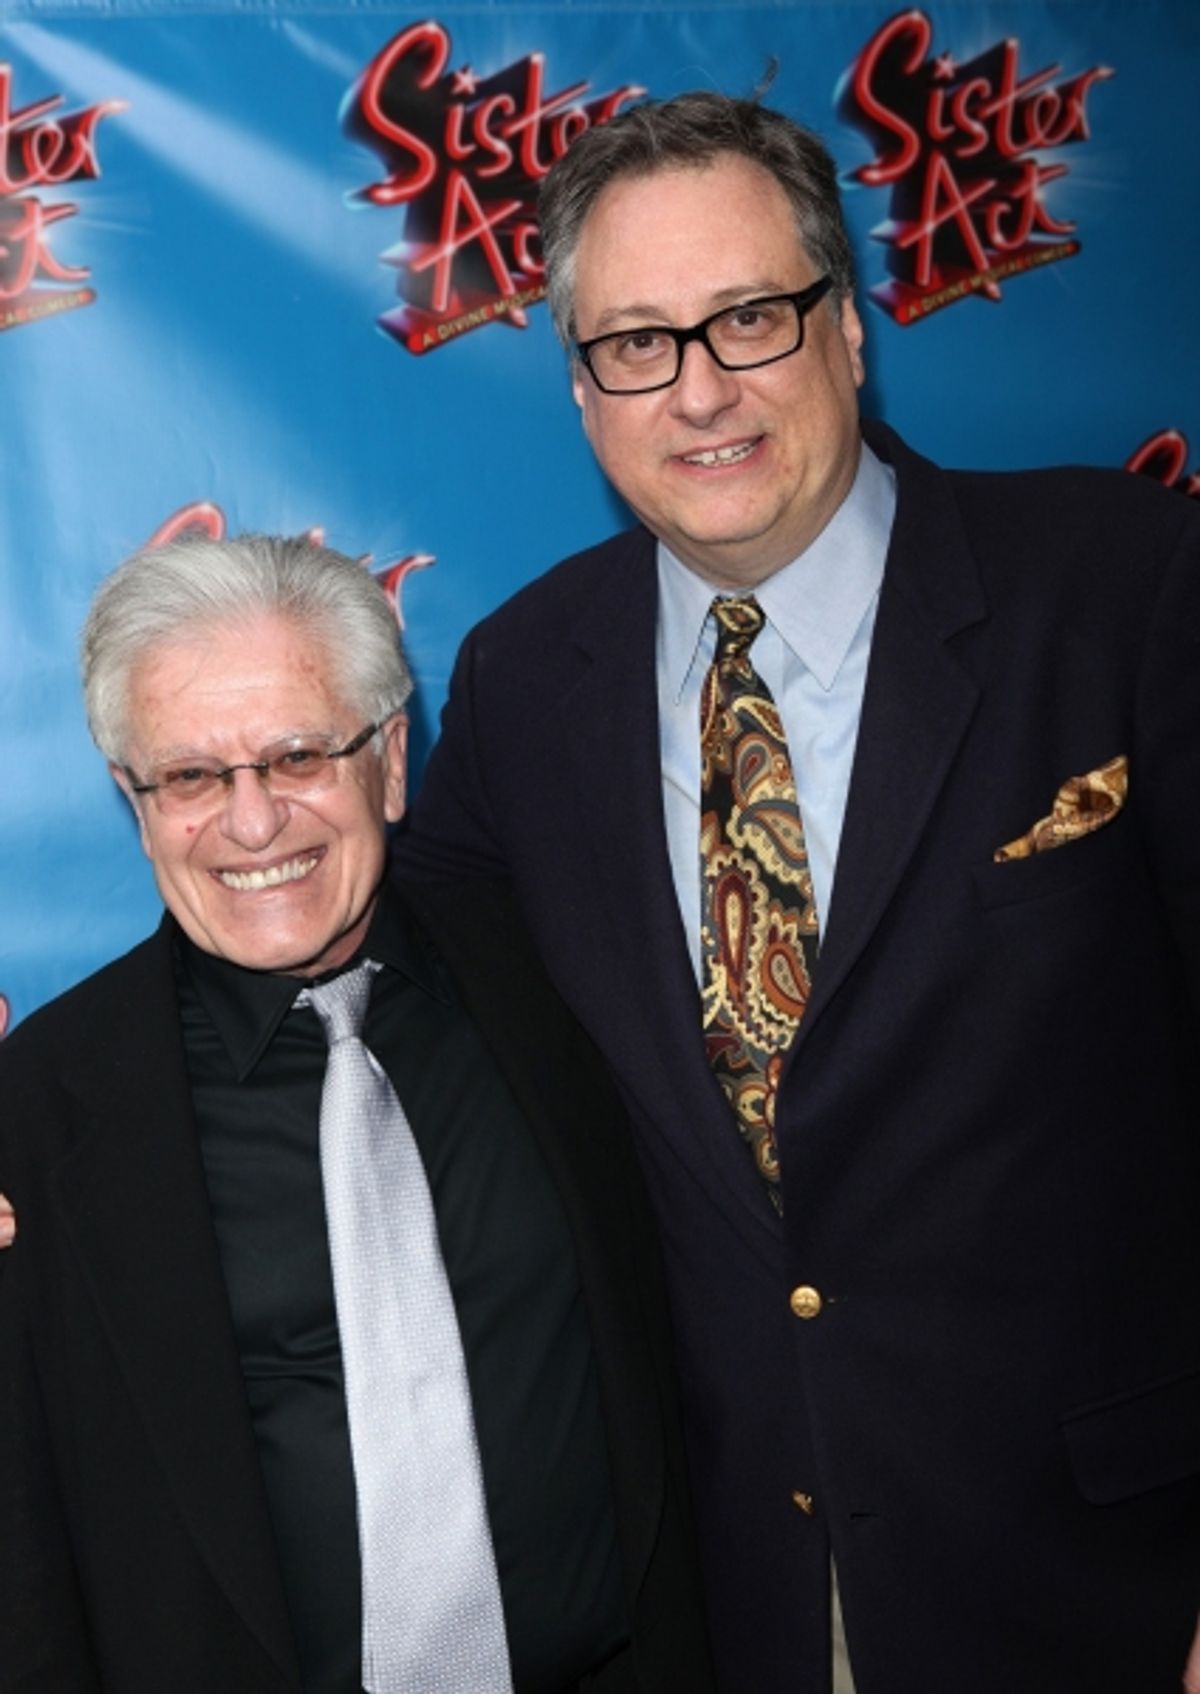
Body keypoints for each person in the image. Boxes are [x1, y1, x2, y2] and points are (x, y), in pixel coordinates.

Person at [396, 91, 1200, 1694]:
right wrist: (59, 1145)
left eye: (750, 317)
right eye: (635, 341)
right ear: (577, 385)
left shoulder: (1128, 583)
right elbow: (376, 997)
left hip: (1106, 1582)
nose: (700, 389)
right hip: (728, 1598)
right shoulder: (519, 681)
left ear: (849, 326)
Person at [0, 533, 715, 1694]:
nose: (251, 822)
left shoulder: (561, 971)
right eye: (189, 776)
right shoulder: (40, 1116)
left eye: (295, 755)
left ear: (389, 759)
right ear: (135, 804)